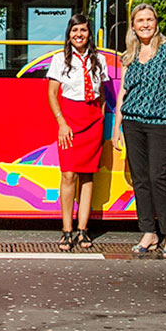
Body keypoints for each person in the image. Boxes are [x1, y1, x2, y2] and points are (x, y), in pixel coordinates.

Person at [112, 3, 166, 258]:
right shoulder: (128, 55)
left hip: (161, 123)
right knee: (140, 179)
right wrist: (116, 127)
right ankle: (148, 231)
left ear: (156, 22)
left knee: (158, 177)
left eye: (149, 19)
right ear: (133, 26)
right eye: (140, 20)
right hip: (132, 123)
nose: (145, 24)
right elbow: (123, 93)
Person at [47, 15, 105, 251]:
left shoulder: (99, 59)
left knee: (88, 175)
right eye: (74, 30)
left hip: (92, 120)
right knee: (69, 174)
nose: (79, 34)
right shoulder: (60, 59)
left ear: (89, 33)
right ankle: (66, 230)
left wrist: (100, 118)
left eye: (83, 30)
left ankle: (83, 230)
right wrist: (62, 122)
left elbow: (103, 95)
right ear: (68, 34)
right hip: (70, 119)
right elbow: (52, 94)